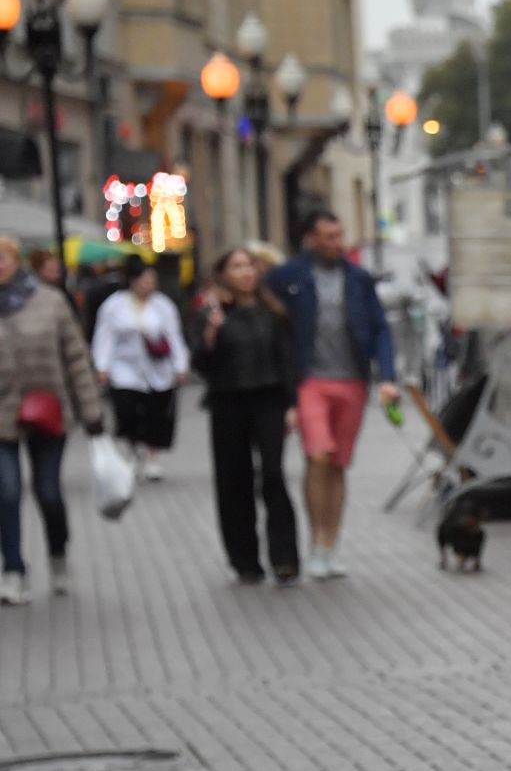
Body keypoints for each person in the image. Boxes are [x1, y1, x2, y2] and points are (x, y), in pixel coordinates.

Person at [266, 209, 399, 580]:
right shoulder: (290, 275)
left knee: (338, 463)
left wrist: (387, 377)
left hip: (352, 380)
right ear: (311, 238)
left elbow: (380, 328)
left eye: (339, 236)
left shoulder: (358, 279)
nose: (336, 243)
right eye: (328, 236)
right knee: (318, 457)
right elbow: (261, 297)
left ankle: (330, 544)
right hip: (310, 380)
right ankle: (315, 542)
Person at [0, 235, 107, 604]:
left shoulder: (50, 301)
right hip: (1, 415)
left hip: (48, 409)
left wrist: (92, 412)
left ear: (18, 261)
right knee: (7, 491)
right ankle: (13, 569)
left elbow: (75, 358)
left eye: (4, 258)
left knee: (48, 492)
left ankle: (58, 554)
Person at [188, 246, 301, 585]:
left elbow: (287, 358)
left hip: (269, 399)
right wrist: (211, 331)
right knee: (233, 479)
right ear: (224, 274)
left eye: (249, 266)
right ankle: (244, 558)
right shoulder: (211, 311)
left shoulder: (272, 310)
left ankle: (284, 557)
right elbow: (200, 364)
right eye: (237, 267)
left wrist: (292, 403)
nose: (245, 273)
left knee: (273, 475)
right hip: (228, 400)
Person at [92, 261, 189, 482]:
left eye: (152, 280)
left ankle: (151, 456)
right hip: (124, 369)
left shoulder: (163, 305)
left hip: (157, 369)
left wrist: (180, 365)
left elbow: (174, 336)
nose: (150, 284)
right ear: (133, 280)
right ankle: (134, 451)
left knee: (155, 412)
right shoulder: (114, 306)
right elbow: (104, 337)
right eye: (145, 279)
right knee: (128, 411)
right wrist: (102, 366)